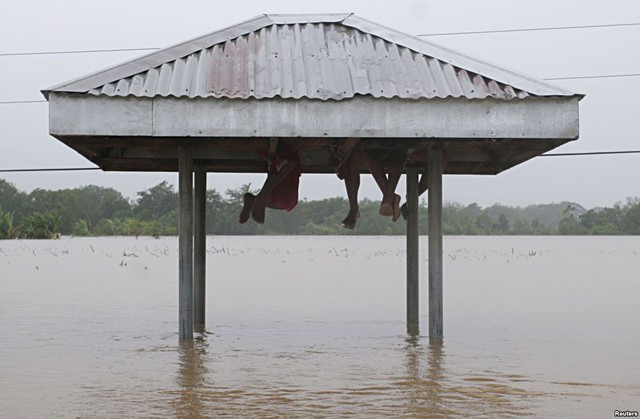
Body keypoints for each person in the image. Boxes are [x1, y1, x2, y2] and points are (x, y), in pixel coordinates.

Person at [239, 140, 302, 224]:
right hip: (284, 196)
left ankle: (255, 199)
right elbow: (282, 173)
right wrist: (262, 197)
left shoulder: (275, 160)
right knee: (288, 202)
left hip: (276, 188)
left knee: (275, 176)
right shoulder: (288, 156)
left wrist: (262, 196)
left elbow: (272, 178)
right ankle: (256, 199)